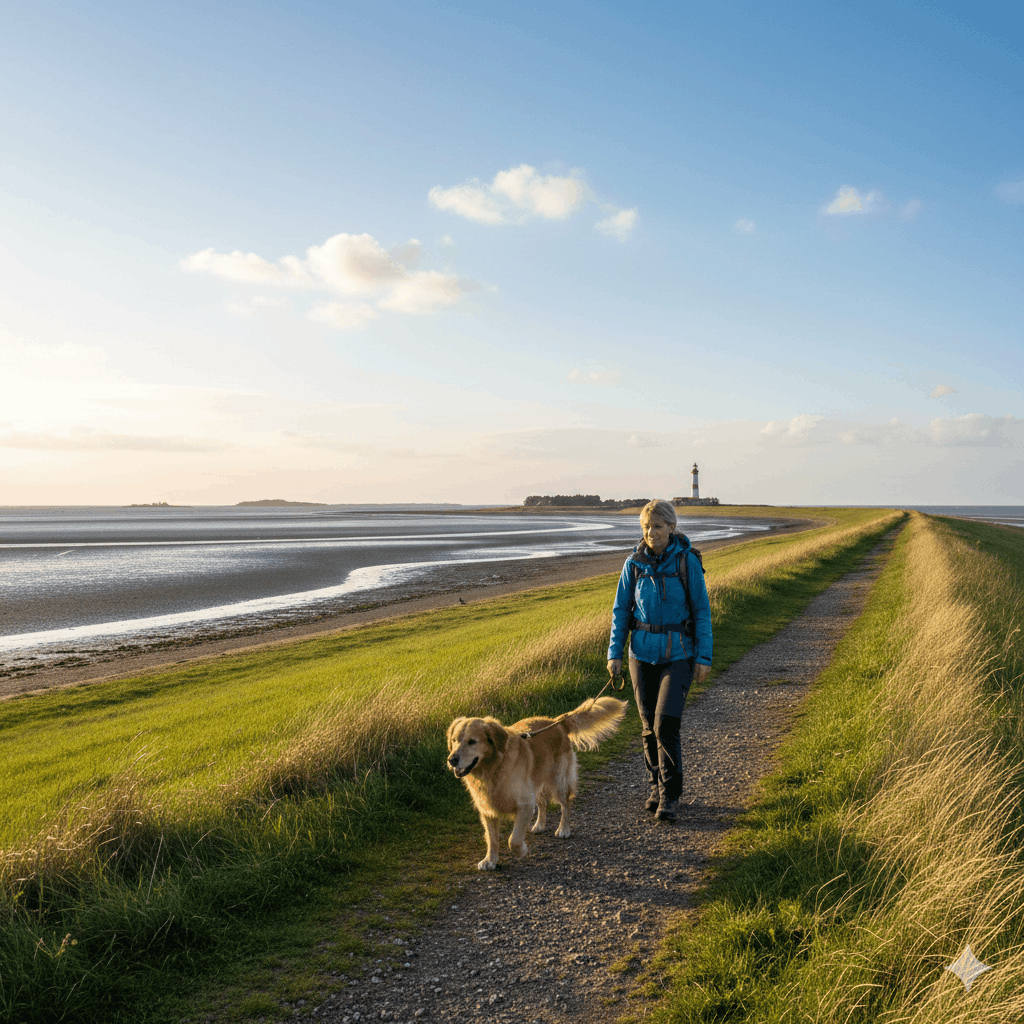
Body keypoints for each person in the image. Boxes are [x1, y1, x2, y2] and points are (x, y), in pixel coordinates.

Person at [607, 499, 712, 821]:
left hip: (679, 654)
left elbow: (702, 611)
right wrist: (614, 654)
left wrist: (704, 656)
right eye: (646, 527)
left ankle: (670, 794)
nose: (651, 533)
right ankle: (655, 787)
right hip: (640, 655)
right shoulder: (633, 564)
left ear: (671, 527)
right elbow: (621, 611)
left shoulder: (686, 562)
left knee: (665, 724)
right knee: (647, 727)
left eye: (657, 526)